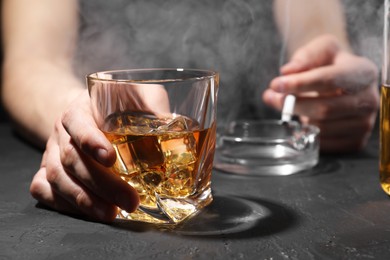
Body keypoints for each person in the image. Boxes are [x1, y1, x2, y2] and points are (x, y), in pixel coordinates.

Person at [1, 0, 380, 222]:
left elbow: (318, 37)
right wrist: (74, 112)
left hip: (294, 179)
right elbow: (32, 60)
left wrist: (333, 81)